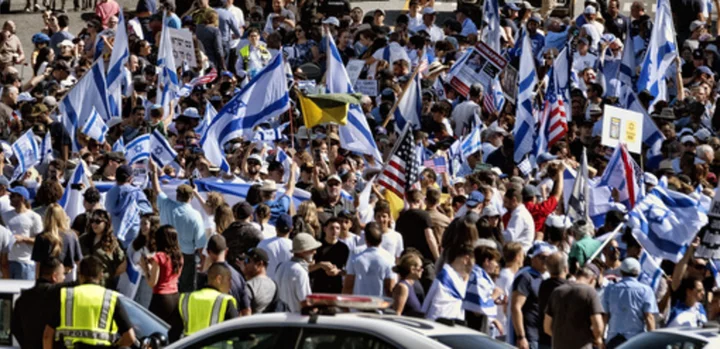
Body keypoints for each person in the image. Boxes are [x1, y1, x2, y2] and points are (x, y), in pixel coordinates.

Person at [43, 256, 136, 349]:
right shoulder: (110, 298)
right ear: (101, 275)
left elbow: (47, 336)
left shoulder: (66, 296)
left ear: (80, 275)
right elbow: (130, 337)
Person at [150, 160, 205, 293]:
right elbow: (200, 244)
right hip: (186, 257)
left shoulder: (167, 205)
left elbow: (157, 189)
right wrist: (203, 263)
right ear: (191, 197)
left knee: (166, 285)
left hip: (166, 254)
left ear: (177, 195)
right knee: (185, 290)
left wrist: (154, 172)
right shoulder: (196, 216)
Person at [169, 263, 238, 341]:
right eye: (228, 280)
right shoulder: (226, 301)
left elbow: (174, 333)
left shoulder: (186, 299)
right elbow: (236, 334)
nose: (231, 285)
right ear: (219, 279)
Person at [507, 242, 557, 349]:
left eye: (549, 258)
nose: (546, 261)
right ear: (533, 259)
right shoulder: (525, 277)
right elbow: (516, 307)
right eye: (542, 257)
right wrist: (521, 336)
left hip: (543, 337)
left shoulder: (545, 278)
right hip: (530, 337)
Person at [602, 257, 658, 348]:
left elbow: (605, 317)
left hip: (613, 341)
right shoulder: (646, 290)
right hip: (635, 341)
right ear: (638, 272)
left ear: (621, 271)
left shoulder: (610, 289)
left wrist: (600, 339)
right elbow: (649, 318)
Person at [544, 266, 605, 349]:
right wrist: (598, 339)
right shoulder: (590, 292)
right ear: (592, 279)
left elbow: (547, 327)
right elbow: (598, 326)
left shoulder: (557, 291)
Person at [12, 258, 66, 349]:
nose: (64, 277)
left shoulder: (23, 298)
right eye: (63, 274)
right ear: (54, 277)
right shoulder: (59, 297)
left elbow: (15, 328)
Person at [140, 225, 183, 324]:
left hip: (161, 298)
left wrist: (145, 268)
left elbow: (152, 283)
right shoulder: (179, 256)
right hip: (175, 296)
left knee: (152, 327)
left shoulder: (159, 257)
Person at [200, 234, 251, 316]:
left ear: (208, 252)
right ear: (226, 251)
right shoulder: (238, 276)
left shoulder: (204, 278)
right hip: (233, 325)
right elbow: (246, 310)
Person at [422, 244, 474, 322]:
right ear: (466, 259)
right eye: (475, 262)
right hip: (439, 328)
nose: (475, 266)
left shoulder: (455, 277)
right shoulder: (446, 279)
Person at [105, 165, 152, 248]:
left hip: (115, 237)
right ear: (130, 178)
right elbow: (148, 212)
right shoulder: (137, 193)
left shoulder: (110, 193)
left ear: (116, 177)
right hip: (134, 238)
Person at [31, 203, 82, 278]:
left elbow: (38, 264)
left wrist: (37, 280)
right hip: (67, 275)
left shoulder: (41, 237)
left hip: (47, 277)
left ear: (47, 217)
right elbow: (78, 261)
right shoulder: (72, 235)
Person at [343, 222, 395, 297]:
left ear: (365, 238)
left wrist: (344, 307)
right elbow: (389, 287)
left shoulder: (355, 255)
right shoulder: (389, 258)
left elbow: (348, 284)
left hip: (357, 306)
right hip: (379, 305)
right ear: (381, 238)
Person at [79, 210, 126, 290]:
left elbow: (123, 264)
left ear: (106, 223)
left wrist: (109, 275)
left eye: (98, 221)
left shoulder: (113, 243)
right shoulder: (83, 239)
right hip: (83, 283)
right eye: (92, 221)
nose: (94, 224)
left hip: (102, 285)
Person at [3, 186, 43, 280]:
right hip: (8, 262)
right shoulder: (5, 216)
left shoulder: (34, 217)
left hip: (26, 263)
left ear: (21, 198)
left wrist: (23, 239)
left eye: (13, 196)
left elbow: (40, 241)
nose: (10, 197)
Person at [274, 233, 321, 312]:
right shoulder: (300, 271)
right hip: (295, 318)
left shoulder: (281, 266)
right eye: (312, 249)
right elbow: (305, 302)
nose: (315, 252)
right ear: (302, 251)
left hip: (280, 317)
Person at [464, 246, 504, 336]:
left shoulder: (480, 276)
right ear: (487, 262)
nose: (496, 265)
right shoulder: (477, 278)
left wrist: (493, 319)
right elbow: (476, 310)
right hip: (476, 329)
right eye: (495, 261)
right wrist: (494, 295)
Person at [310, 217, 348, 293]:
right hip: (318, 288)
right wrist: (320, 265)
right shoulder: (317, 246)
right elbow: (307, 268)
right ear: (325, 229)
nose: (334, 231)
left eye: (337, 228)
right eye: (331, 228)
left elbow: (348, 271)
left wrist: (337, 271)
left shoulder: (343, 248)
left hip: (336, 288)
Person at [241, 247, 277, 313]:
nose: (244, 263)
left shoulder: (249, 286)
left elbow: (245, 313)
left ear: (259, 264)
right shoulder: (274, 285)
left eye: (247, 260)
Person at [257, 213, 293, 281]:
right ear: (291, 229)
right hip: (286, 286)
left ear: (276, 228)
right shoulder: (294, 246)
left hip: (266, 286)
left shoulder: (263, 244)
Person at [391, 252, 425, 317]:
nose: (422, 270)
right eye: (420, 267)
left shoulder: (411, 285)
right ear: (412, 269)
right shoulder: (402, 287)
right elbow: (397, 313)